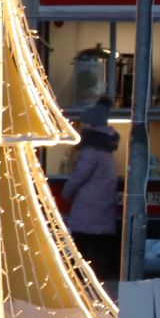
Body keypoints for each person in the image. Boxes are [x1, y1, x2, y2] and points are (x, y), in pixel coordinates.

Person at [60, 97, 121, 281]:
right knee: (99, 242)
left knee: (82, 242)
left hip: (89, 204)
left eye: (84, 123)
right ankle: (98, 272)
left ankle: (82, 276)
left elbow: (80, 175)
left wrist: (67, 192)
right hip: (102, 203)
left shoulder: (91, 150)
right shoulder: (107, 149)